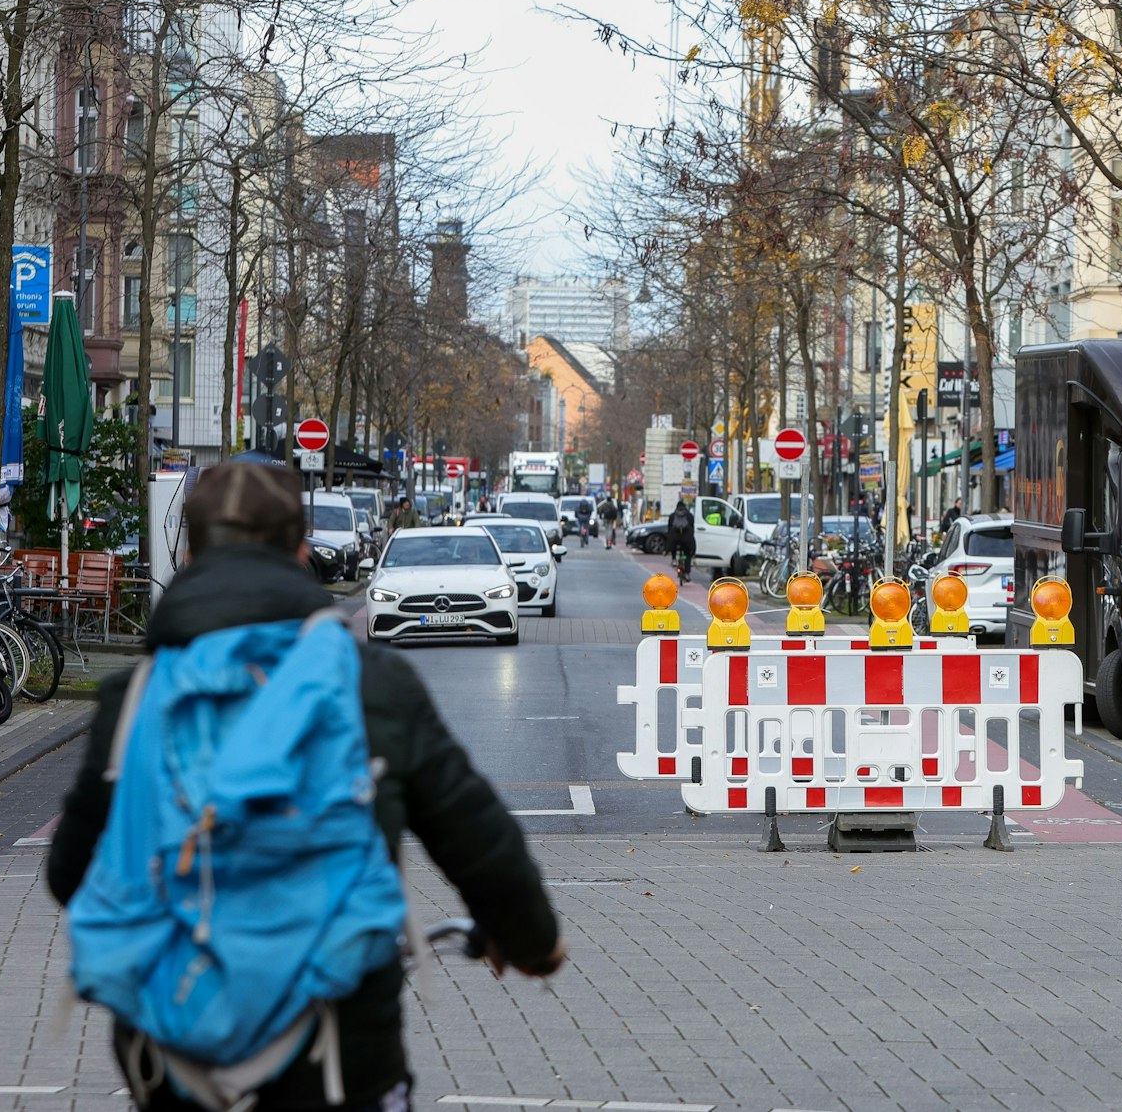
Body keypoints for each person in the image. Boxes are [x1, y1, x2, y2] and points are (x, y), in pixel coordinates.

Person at [46, 463, 564, 1111]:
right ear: (299, 550)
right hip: (338, 1051)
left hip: (173, 1051)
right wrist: (532, 942)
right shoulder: (369, 682)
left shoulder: (138, 694)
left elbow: (69, 874)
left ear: (190, 553)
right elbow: (476, 837)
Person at [666, 499, 696, 582]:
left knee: (672, 545)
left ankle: (674, 559)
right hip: (686, 539)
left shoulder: (672, 515)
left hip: (675, 539)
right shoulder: (689, 515)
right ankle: (687, 573)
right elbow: (692, 528)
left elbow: (669, 528)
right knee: (687, 554)